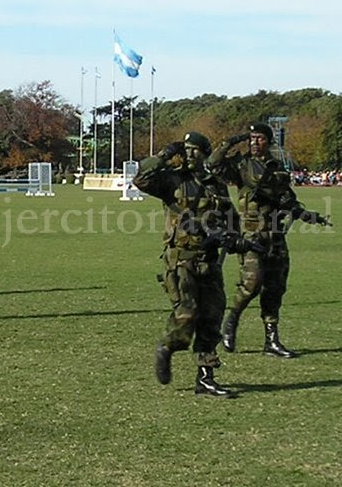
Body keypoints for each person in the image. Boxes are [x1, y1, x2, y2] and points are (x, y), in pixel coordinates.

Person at [133, 132, 261, 398]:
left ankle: (206, 378)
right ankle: (168, 347)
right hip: (181, 259)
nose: (190, 155)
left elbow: (231, 222)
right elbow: (141, 179)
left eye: (196, 150)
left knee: (211, 318)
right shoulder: (173, 179)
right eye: (186, 150)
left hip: (210, 260)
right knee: (187, 314)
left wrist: (237, 242)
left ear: (205, 153)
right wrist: (165, 155)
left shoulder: (215, 184)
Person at [207, 123, 330, 358]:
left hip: (276, 236)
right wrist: (233, 140)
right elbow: (213, 164)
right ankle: (231, 321)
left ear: (269, 141)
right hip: (252, 235)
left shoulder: (278, 170)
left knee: (275, 288)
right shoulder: (242, 165)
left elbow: (288, 200)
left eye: (259, 138)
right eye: (251, 138)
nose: (254, 142)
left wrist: (306, 214)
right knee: (251, 285)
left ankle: (271, 340)